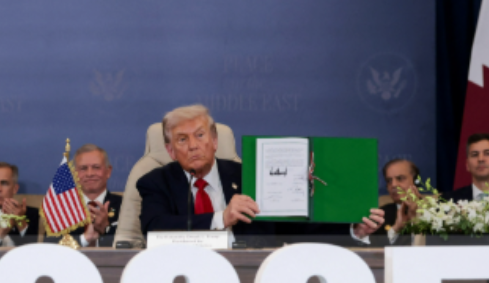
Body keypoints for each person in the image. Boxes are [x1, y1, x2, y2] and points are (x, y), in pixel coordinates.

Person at [137, 104, 383, 244]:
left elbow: (294, 228)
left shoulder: (251, 177)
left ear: (214, 141)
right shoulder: (155, 182)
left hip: (249, 279)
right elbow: (154, 228)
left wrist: (353, 230)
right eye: (182, 139)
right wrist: (222, 218)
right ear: (170, 151)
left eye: (200, 135)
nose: (193, 145)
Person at [56, 144, 123, 248]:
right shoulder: (59, 208)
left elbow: (134, 247)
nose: (90, 174)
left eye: (96, 167)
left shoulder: (126, 206)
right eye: (83, 168)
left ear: (108, 171)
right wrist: (84, 239)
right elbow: (50, 249)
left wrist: (106, 229)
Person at [0, 162, 40, 246]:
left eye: (4, 183)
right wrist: (1, 233)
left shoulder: (34, 215)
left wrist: (20, 221)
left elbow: (36, 250)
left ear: (15, 189)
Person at [374, 158, 421, 245]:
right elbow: (375, 248)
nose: (393, 185)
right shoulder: (381, 215)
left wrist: (416, 219)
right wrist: (396, 228)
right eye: (389, 181)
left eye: (400, 178)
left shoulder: (436, 209)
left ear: (416, 182)